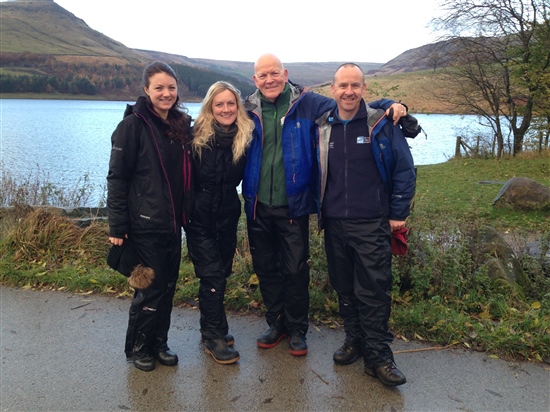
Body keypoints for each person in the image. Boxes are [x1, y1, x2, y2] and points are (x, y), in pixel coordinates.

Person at [242, 53, 408, 357]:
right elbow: (217, 119)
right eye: (263, 75)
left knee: (294, 269)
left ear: (285, 73)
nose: (269, 80)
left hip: (294, 204)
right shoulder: (247, 109)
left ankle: (296, 328)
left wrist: (390, 104)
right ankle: (275, 323)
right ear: (255, 80)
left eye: (274, 73)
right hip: (256, 205)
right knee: (266, 269)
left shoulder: (308, 103)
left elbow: (351, 103)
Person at [316, 63, 416, 386]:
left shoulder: (380, 124)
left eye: (355, 85)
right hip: (333, 223)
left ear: (363, 89)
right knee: (344, 287)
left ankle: (379, 357)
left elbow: (404, 168)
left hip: (372, 222)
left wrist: (398, 212)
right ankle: (354, 340)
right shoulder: (322, 126)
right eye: (343, 85)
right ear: (332, 89)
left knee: (373, 290)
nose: (349, 91)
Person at [107, 62, 193, 372]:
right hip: (144, 224)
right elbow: (117, 178)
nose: (166, 93)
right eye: (159, 88)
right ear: (146, 90)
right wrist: (117, 225)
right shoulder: (132, 127)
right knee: (150, 288)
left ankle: (159, 342)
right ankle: (138, 347)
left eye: (171, 88)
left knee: (168, 286)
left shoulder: (180, 124)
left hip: (172, 224)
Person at [185, 81, 254, 365]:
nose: (225, 109)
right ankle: (212, 336)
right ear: (210, 108)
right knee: (211, 274)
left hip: (227, 213)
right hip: (199, 215)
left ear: (237, 107)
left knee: (221, 272)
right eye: (219, 104)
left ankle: (216, 327)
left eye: (230, 104)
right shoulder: (194, 137)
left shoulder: (245, 137)